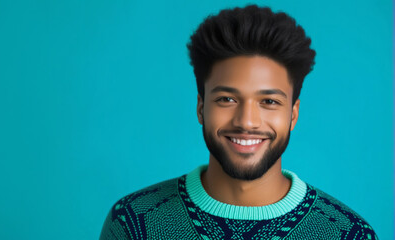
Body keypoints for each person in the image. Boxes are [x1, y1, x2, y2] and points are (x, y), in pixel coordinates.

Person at [99, 4, 377, 240]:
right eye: (227, 99)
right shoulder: (133, 224)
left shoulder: (348, 234)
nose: (247, 121)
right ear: (200, 107)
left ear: (293, 114)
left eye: (269, 102)